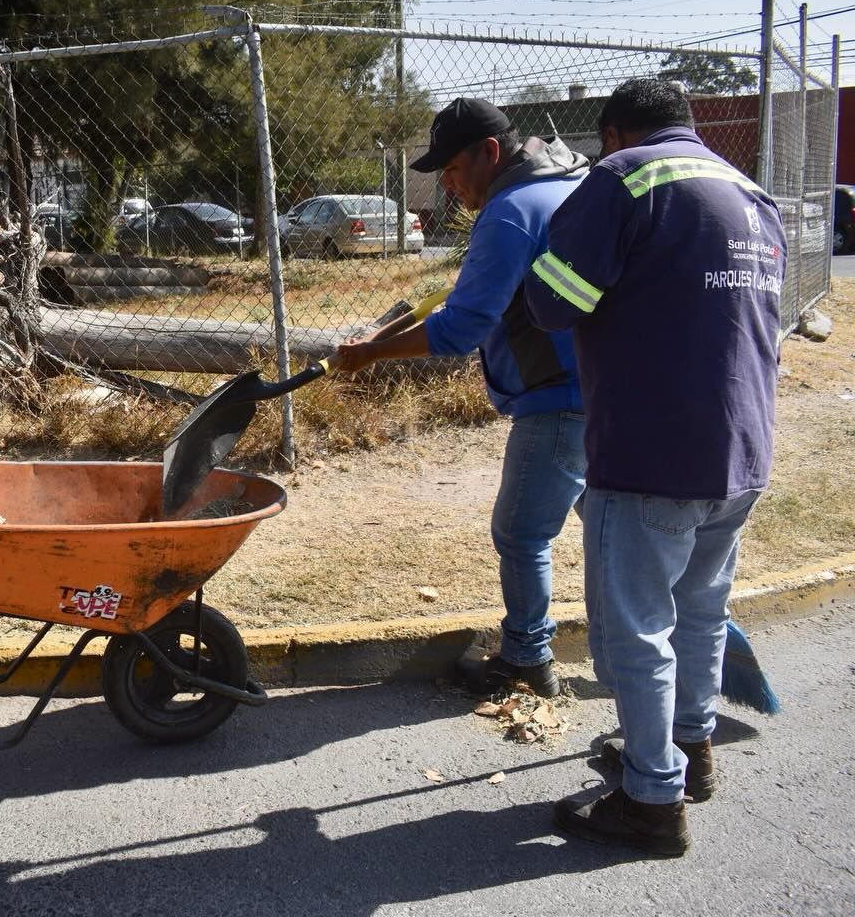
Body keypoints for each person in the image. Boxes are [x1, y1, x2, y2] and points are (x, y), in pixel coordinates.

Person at [524, 77, 783, 857]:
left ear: (613, 133)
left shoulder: (624, 178)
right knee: (701, 612)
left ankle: (650, 801)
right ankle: (689, 751)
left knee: (635, 633)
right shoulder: (750, 192)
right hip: (740, 453)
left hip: (650, 452)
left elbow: (552, 302)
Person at [333, 98, 588, 699]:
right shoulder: (568, 181)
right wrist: (385, 332)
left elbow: (461, 328)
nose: (446, 184)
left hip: (558, 397)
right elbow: (477, 297)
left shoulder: (508, 212)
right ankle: (683, 640)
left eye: (450, 169)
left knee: (520, 533)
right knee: (610, 529)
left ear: (489, 153)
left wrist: (372, 353)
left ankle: (527, 658)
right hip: (610, 387)